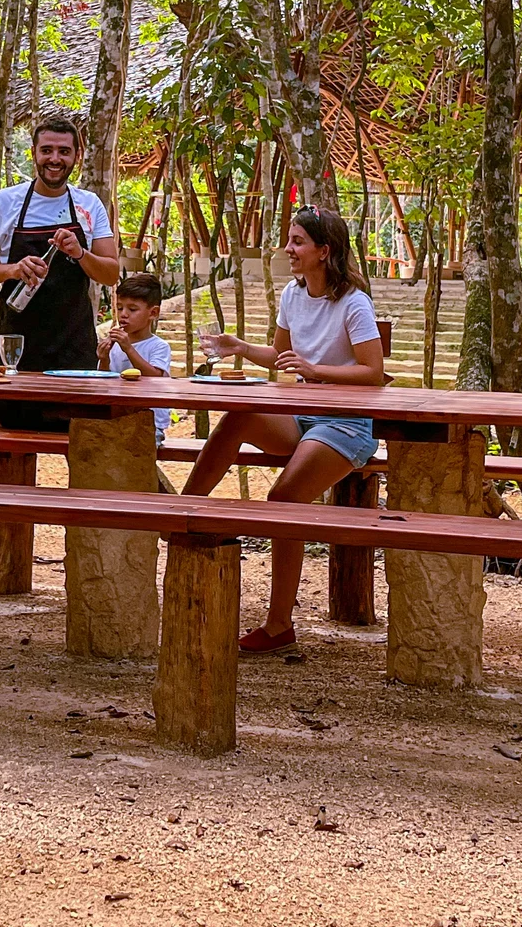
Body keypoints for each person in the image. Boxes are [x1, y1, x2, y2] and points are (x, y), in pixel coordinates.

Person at [183, 206, 384, 655]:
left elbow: (373, 372)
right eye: (288, 239)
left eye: (296, 242)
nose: (287, 249)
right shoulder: (293, 296)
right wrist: (238, 346)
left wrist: (317, 369)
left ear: (323, 251)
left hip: (346, 425)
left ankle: (279, 625)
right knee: (237, 416)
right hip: (301, 414)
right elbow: (280, 356)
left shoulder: (354, 303)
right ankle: (184, 515)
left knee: (283, 500)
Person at [0, 115, 120, 431]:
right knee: (11, 439)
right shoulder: (3, 203)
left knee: (81, 440)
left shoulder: (90, 205)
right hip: (17, 347)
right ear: (34, 153)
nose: (55, 159)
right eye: (47, 150)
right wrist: (12, 269)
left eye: (64, 151)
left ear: (77, 155)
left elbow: (110, 273)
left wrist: (79, 253)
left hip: (74, 345)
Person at [97, 272, 173, 445]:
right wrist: (104, 359)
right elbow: (104, 382)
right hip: (115, 418)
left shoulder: (158, 346)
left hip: (149, 424)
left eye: (132, 309)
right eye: (120, 307)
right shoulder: (115, 345)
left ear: (152, 313)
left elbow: (155, 378)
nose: (124, 314)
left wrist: (129, 349)